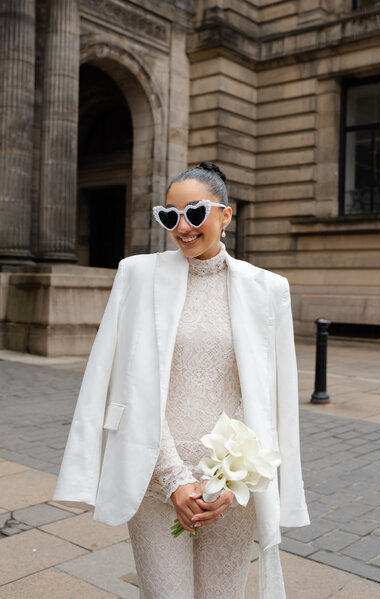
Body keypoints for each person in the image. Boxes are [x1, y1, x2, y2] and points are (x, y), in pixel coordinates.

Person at [53, 162, 310, 599]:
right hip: (154, 475)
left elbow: (268, 397)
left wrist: (230, 482)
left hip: (233, 487)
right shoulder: (137, 274)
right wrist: (175, 479)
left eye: (194, 212)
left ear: (226, 215)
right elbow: (130, 383)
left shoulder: (268, 289)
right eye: (169, 216)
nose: (182, 227)